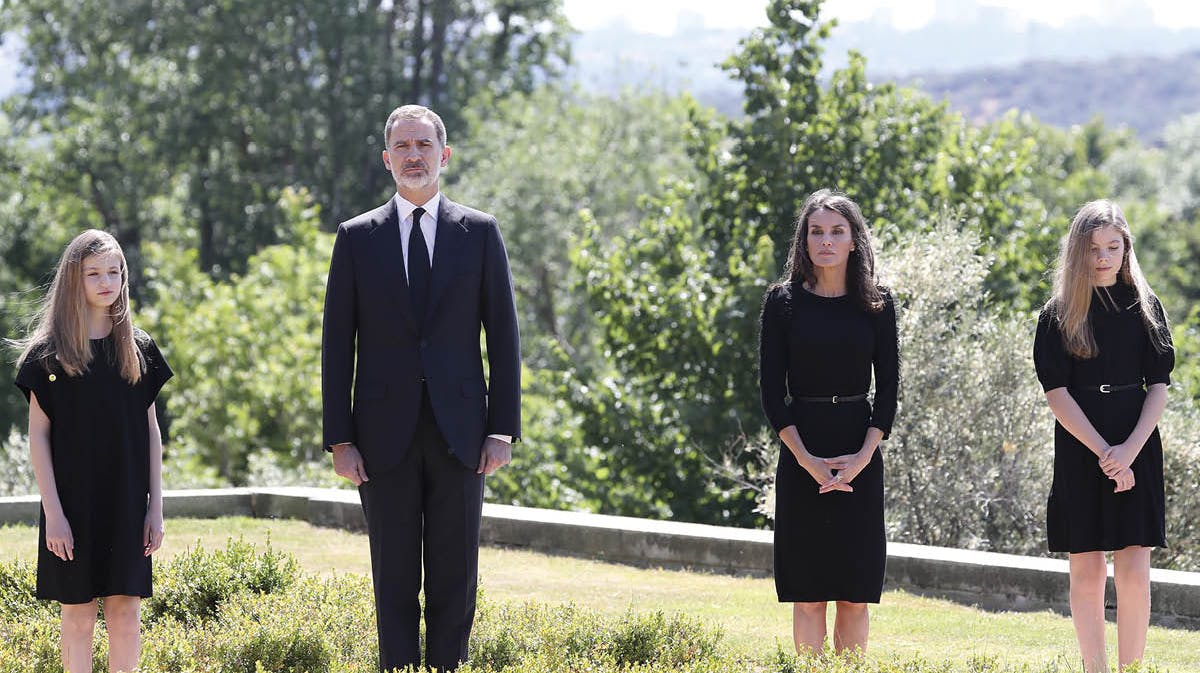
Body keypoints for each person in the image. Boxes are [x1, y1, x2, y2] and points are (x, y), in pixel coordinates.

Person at [321, 104, 521, 672]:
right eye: (402, 147)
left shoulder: (480, 233)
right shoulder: (356, 238)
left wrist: (502, 428)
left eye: (424, 146)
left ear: (444, 155)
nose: (414, 156)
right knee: (393, 578)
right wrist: (340, 438)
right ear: (387, 159)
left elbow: (504, 338)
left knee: (456, 580)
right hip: (380, 440)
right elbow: (338, 346)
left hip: (464, 435)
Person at [12, 229, 172, 673]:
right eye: (94, 273)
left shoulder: (137, 349)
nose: (106, 281)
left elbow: (150, 432)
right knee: (78, 617)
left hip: (125, 502)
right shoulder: (48, 356)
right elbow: (38, 437)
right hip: (71, 507)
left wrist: (155, 509)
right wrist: (54, 513)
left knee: (126, 613)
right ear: (73, 280)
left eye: (115, 271)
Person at [1034, 199, 1173, 673]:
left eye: (1113, 246)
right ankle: (1094, 668)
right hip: (1080, 446)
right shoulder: (1056, 314)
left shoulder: (1147, 308)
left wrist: (1129, 451)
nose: (1104, 257)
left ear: (1126, 248)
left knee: (1134, 569)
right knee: (1087, 566)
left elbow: (1159, 385)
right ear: (1078, 252)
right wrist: (1104, 453)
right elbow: (1057, 394)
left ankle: (1131, 669)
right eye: (1093, 248)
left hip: (1138, 443)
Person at [758, 189, 898, 655]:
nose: (827, 241)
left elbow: (890, 390)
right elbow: (771, 395)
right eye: (816, 232)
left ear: (855, 240)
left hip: (861, 450)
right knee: (809, 595)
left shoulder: (878, 303)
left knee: (856, 597)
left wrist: (862, 457)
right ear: (804, 240)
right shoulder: (782, 303)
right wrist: (808, 461)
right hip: (802, 451)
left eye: (838, 231)